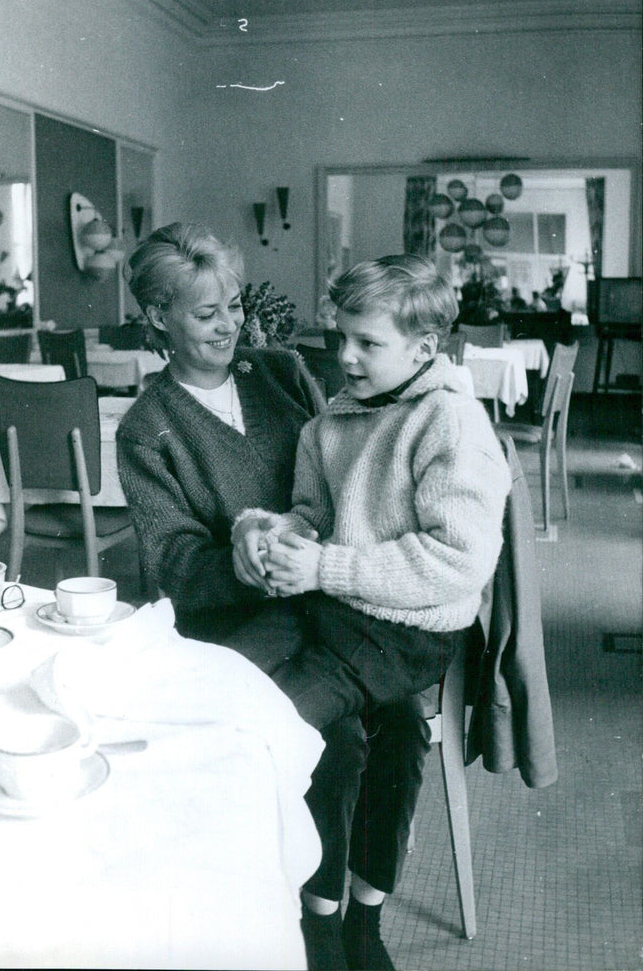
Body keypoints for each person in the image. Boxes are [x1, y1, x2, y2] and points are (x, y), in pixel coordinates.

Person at [116, 225, 430, 970]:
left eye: (232, 306)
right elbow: (172, 563)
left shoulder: (281, 372)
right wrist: (245, 560)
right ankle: (315, 928)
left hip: (330, 600)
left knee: (404, 727)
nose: (229, 326)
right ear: (160, 318)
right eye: (205, 314)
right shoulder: (147, 428)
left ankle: (366, 915)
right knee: (339, 743)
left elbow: (350, 453)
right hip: (240, 625)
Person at [233, 254, 512, 969]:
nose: (345, 356)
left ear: (424, 350)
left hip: (414, 632)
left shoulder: (451, 422)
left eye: (368, 343)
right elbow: (311, 513)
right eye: (340, 337)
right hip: (344, 614)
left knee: (283, 721)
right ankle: (337, 911)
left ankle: (340, 919)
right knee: (360, 733)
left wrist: (323, 566)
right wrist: (280, 538)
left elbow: (459, 560)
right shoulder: (331, 424)